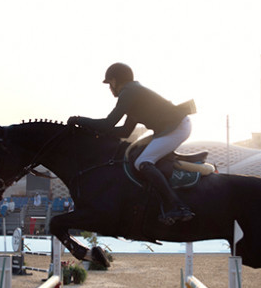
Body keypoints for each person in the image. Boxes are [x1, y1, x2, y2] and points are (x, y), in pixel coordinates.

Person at [69, 62, 195, 225]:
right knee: (136, 155)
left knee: (142, 161)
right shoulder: (134, 92)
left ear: (115, 81)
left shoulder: (128, 92)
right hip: (175, 125)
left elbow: (109, 123)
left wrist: (80, 120)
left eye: (110, 84)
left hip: (178, 127)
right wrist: (92, 130)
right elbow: (125, 132)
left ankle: (177, 206)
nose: (110, 88)